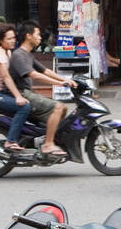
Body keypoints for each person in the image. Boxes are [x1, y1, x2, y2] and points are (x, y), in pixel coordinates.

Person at [8, 20, 73, 156]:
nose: (40, 37)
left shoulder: (28, 54)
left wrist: (65, 80)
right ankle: (48, 144)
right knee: (58, 107)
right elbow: (34, 74)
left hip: (28, 92)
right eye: (37, 34)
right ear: (28, 36)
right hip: (22, 93)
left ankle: (45, 136)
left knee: (64, 109)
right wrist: (60, 84)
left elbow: (45, 71)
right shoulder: (18, 55)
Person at [0, 23, 32, 151]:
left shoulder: (7, 51)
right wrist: (18, 96)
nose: (12, 41)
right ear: (0, 40)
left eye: (13, 38)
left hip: (1, 92)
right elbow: (6, 77)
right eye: (9, 39)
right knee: (24, 107)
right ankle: (10, 141)